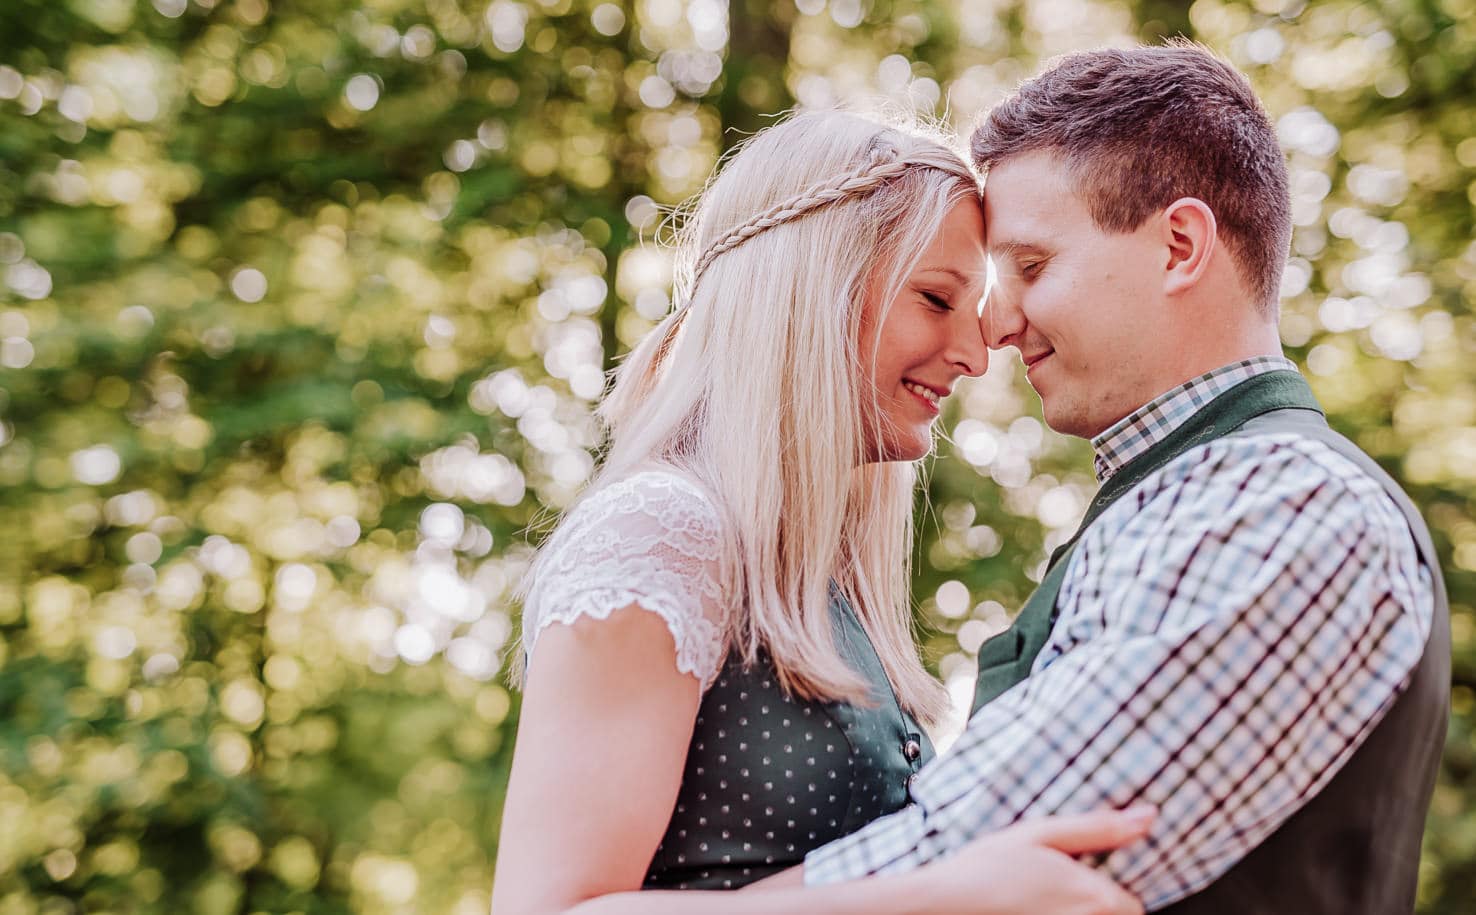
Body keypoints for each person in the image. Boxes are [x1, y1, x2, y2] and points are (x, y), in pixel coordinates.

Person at [796, 42, 1449, 914]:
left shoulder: (1282, 504)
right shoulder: (1182, 499)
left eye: (1031, 267)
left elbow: (955, 865)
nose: (996, 325)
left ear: (1180, 244)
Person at [490, 110, 1152, 915]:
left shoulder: (823, 578)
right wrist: (948, 898)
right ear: (815, 287)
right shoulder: (664, 530)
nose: (976, 355)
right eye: (937, 298)